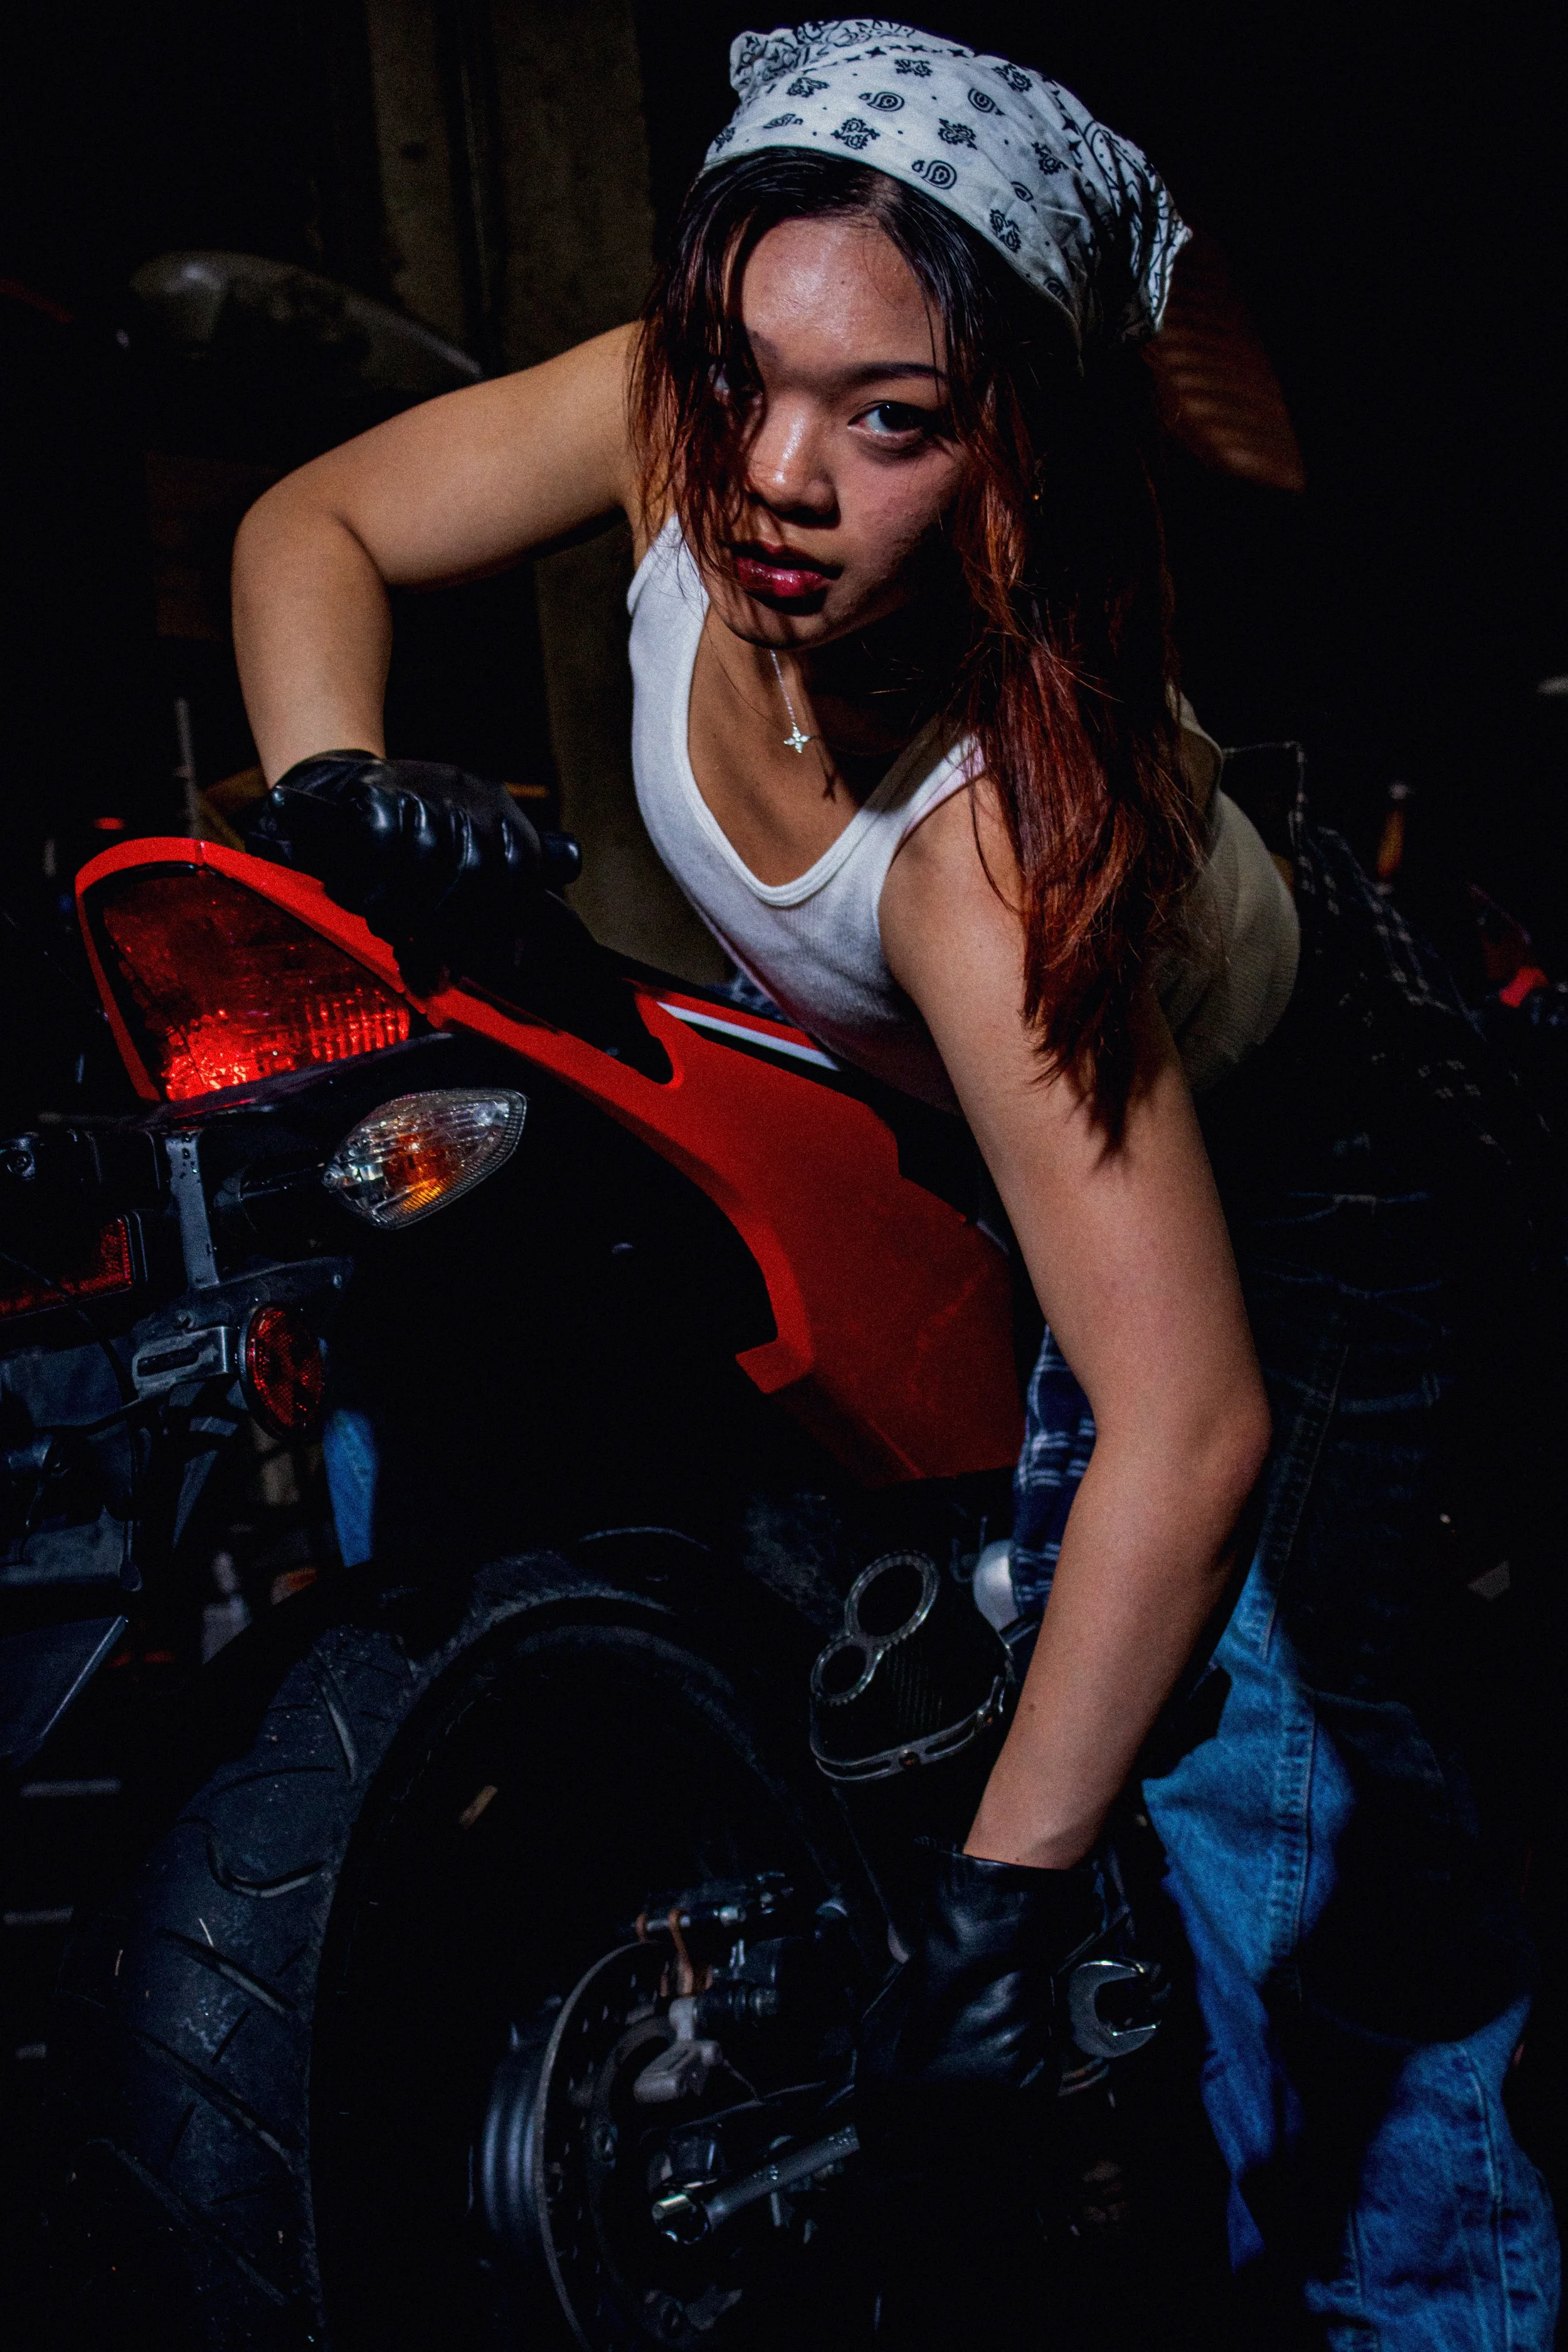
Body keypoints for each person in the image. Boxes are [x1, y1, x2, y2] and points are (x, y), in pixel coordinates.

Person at [230, 22, 1559, 2344]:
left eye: (890, 420)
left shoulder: (987, 854)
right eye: (748, 375)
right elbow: (305, 524)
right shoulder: (680, 424)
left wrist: (994, 1905)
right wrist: (331, 778)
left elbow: (1193, 1423)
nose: (773, 478)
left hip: (1299, 1155)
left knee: (1258, 1778)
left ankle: (1427, 2284)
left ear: (1012, 459)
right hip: (996, 1104)